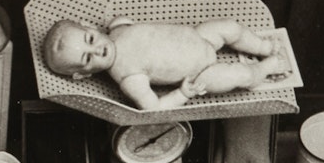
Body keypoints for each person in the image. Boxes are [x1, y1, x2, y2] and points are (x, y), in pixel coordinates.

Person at [43, 16, 288, 111]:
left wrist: (119, 23)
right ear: (83, 75)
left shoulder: (117, 28)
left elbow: (122, 21)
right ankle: (264, 69)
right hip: (199, 73)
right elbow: (154, 108)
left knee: (231, 28)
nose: (97, 49)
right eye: (87, 58)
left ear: (90, 28)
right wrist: (182, 93)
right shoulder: (128, 77)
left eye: (89, 39)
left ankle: (262, 47)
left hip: (199, 35)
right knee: (236, 75)